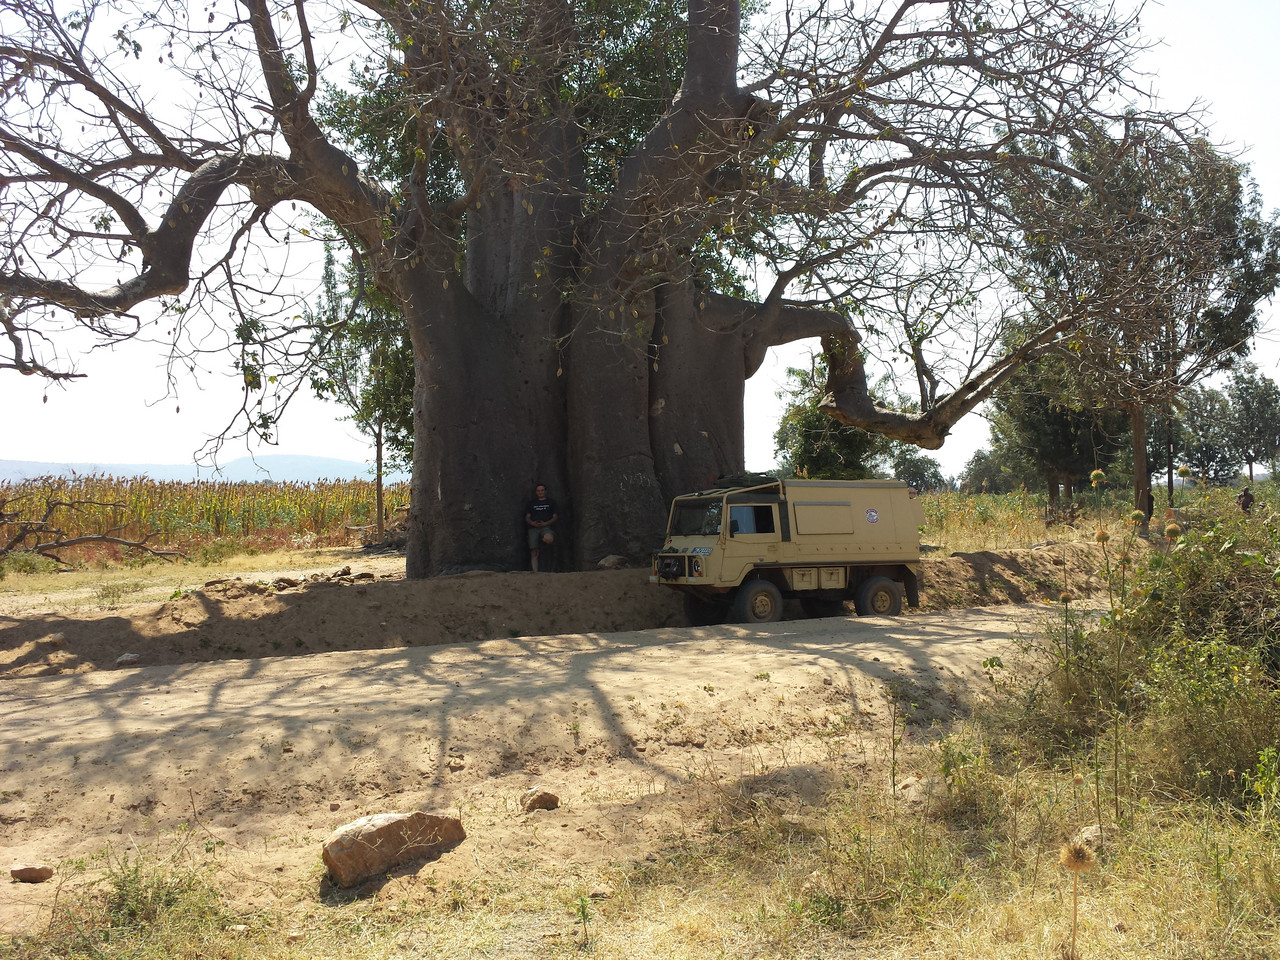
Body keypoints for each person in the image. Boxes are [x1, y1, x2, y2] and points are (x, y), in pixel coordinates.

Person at [525, 482, 558, 572]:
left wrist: (545, 523)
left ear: (545, 491)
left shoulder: (551, 502)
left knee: (549, 538)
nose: (540, 492)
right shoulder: (531, 503)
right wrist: (532, 523)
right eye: (538, 491)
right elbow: (527, 517)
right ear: (536, 492)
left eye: (542, 490)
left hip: (546, 527)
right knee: (534, 550)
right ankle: (535, 571)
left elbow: (555, 516)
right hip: (533, 528)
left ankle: (542, 542)